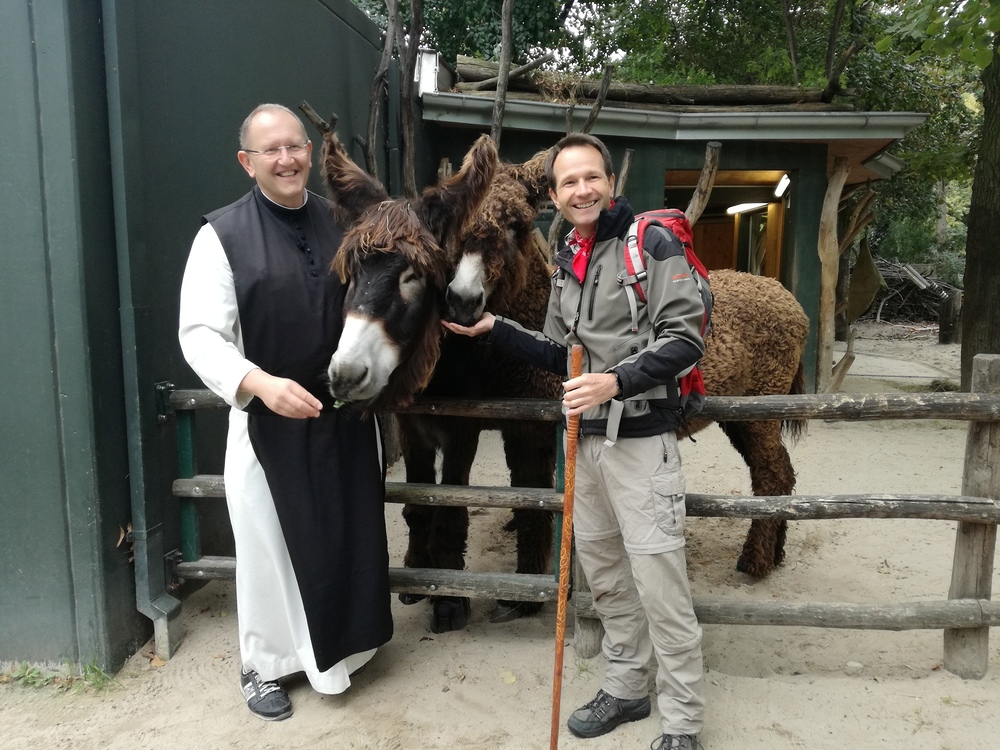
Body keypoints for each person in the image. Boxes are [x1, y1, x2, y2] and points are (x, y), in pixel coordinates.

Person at [443, 133, 706, 750]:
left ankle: (685, 719)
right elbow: (563, 353)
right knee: (607, 574)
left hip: (641, 439)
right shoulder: (569, 258)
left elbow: (684, 339)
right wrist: (493, 329)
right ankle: (626, 686)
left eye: (592, 177)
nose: (581, 189)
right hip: (583, 444)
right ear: (555, 197)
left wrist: (613, 382)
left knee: (659, 581)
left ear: (610, 182)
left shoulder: (652, 243)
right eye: (568, 182)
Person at [178, 103, 392, 721]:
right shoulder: (218, 236)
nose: (286, 159)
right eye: (270, 150)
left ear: (310, 152)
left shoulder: (344, 222)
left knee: (348, 530)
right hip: (268, 418)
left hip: (343, 415)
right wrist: (260, 384)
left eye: (294, 145)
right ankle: (264, 666)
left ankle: (343, 654)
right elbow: (199, 335)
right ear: (248, 162)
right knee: (269, 543)